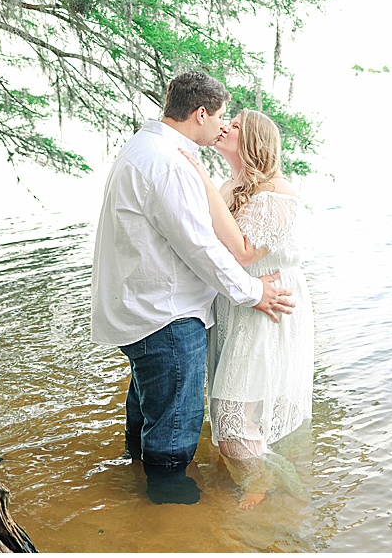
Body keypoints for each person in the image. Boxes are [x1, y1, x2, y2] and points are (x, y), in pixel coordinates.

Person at [90, 72, 295, 505]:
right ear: (199, 113)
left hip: (143, 309)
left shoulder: (146, 148)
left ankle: (137, 495)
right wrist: (254, 293)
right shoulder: (166, 161)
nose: (223, 125)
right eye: (220, 116)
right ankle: (172, 512)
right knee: (174, 434)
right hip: (167, 316)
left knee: (149, 414)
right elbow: (201, 247)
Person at [179, 108, 314, 509]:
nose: (225, 127)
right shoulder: (231, 185)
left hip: (267, 307)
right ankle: (250, 469)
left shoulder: (277, 193)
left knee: (232, 414)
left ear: (254, 141)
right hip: (240, 303)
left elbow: (243, 252)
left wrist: (200, 177)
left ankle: (266, 477)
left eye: (234, 125)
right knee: (227, 405)